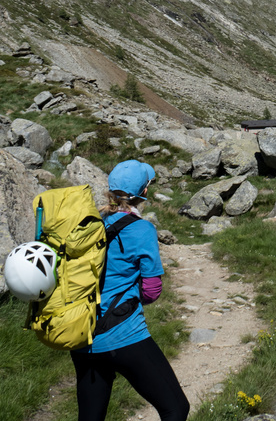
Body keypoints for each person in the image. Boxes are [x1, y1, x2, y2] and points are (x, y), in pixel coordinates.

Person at [70, 160, 190, 421]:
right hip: (123, 334)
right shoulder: (142, 229)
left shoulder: (92, 224)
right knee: (176, 409)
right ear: (143, 193)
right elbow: (151, 290)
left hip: (81, 335)